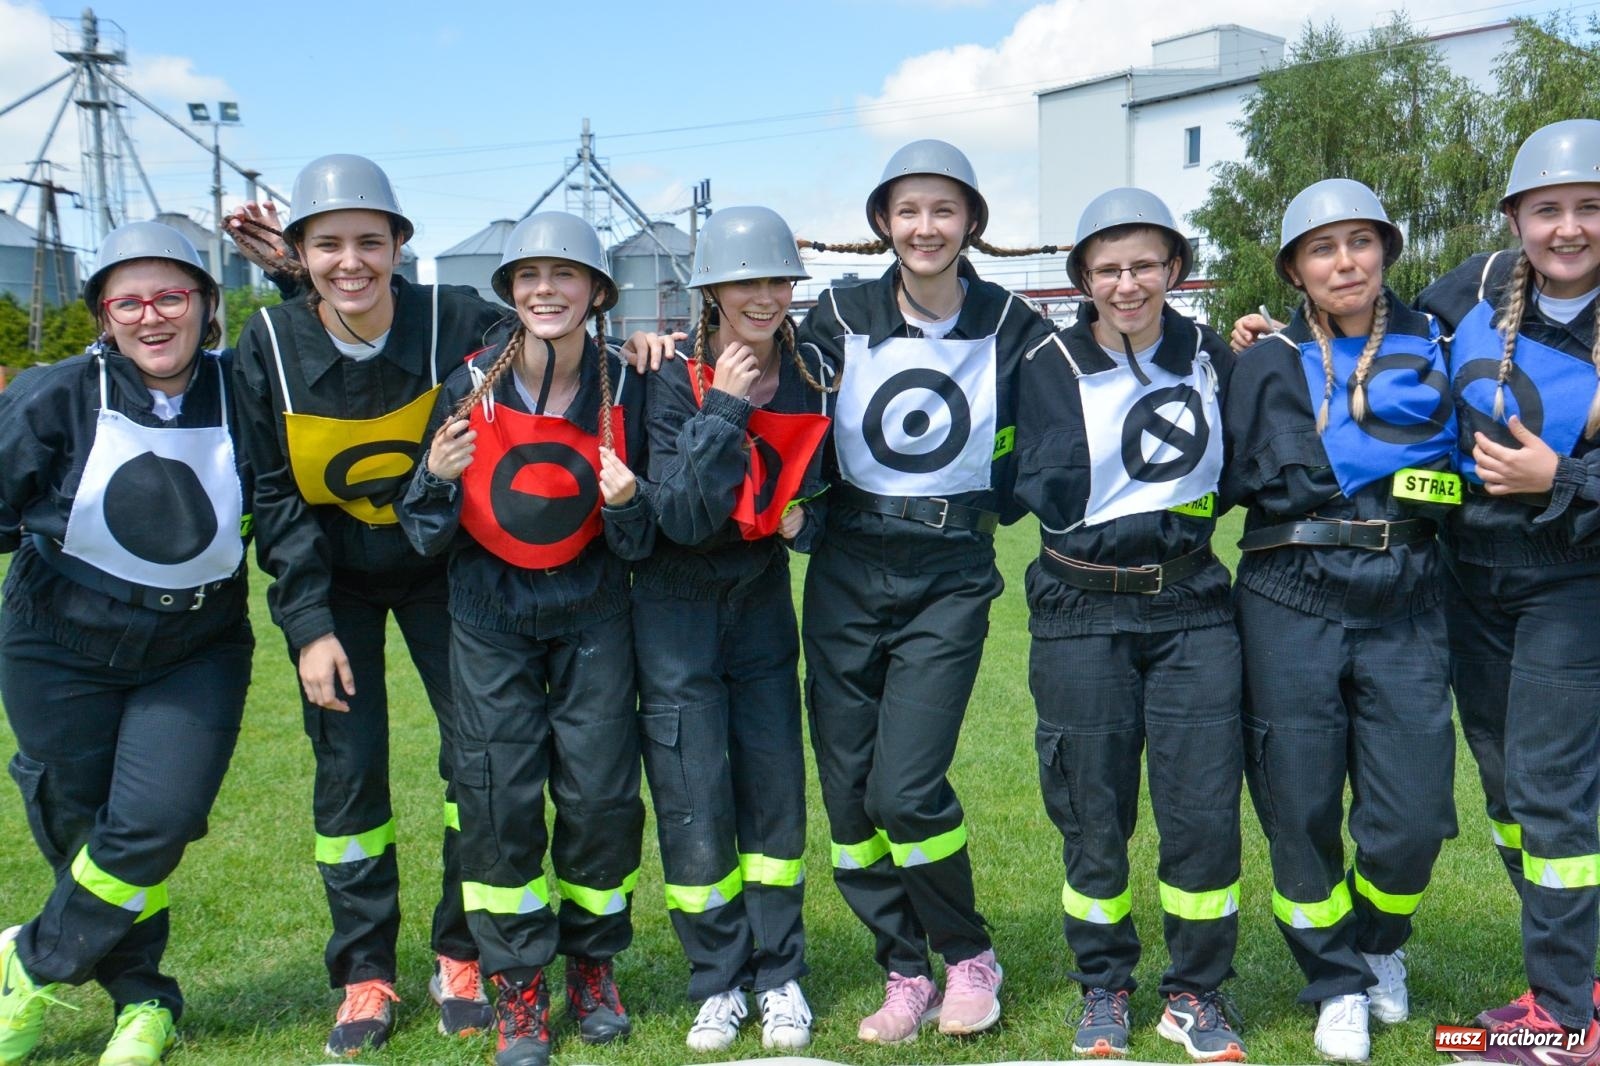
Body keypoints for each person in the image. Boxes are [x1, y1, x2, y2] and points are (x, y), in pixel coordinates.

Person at [231, 154, 503, 1055]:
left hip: (441, 573)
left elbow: (554, 325)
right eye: (327, 246)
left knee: (479, 762)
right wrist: (308, 626)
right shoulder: (267, 345)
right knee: (350, 773)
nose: (351, 262)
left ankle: (460, 952)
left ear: (399, 247)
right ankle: (363, 972)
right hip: (334, 582)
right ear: (299, 255)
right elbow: (274, 494)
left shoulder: (453, 319)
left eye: (369, 243)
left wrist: (649, 346)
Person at [794, 139, 1055, 1043]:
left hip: (949, 576)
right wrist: (674, 342)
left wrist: (1233, 341)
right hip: (845, 569)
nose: (925, 227)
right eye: (908, 210)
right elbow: (764, 369)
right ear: (883, 223)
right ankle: (904, 967)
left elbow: (1098, 372)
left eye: (944, 209)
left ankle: (968, 954)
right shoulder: (837, 313)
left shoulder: (1014, 322)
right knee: (847, 795)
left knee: (904, 789)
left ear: (972, 221)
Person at [398, 211, 651, 1066]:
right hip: (489, 620)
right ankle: (517, 986)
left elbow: (644, 541)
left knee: (601, 800)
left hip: (593, 616)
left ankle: (593, 967)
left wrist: (629, 505)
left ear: (597, 292)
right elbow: (422, 531)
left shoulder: (630, 386)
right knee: (498, 802)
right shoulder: (468, 385)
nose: (547, 290)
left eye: (565, 274)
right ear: (510, 291)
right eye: (529, 277)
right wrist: (435, 481)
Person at [0, 221, 253, 1066]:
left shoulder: (244, 390)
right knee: (79, 825)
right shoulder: (53, 394)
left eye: (171, 296)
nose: (152, 316)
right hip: (58, 643)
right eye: (129, 302)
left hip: (195, 648)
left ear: (206, 305)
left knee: (156, 821)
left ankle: (27, 963)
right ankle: (144, 1001)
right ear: (104, 317)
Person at [1224, 179, 1459, 1063]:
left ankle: (1379, 943)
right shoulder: (1265, 361)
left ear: (1386, 252)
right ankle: (1334, 979)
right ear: (1294, 270)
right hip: (1291, 597)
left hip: (1409, 597)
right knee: (1300, 804)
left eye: (1361, 241)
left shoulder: (1439, 346)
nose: (1345, 261)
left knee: (1414, 815)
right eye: (1322, 248)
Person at [1013, 188, 1245, 1062]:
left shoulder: (1215, 355)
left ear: (1173, 268)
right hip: (1079, 610)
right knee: (1090, 808)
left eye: (1145, 264)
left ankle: (1196, 992)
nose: (1127, 284)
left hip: (1192, 605)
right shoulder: (1040, 362)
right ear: (1083, 278)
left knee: (1202, 811)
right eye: (1107, 269)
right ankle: (1103, 983)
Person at [1413, 119, 1600, 1064]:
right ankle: (1574, 977)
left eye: (1590, 208)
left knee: (1550, 791)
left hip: (1572, 584)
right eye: (1547, 209)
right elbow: (1382, 336)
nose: (1568, 228)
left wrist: (1560, 478)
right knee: (1506, 793)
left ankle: (1566, 1022)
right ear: (1515, 218)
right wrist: (1277, 335)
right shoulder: (1473, 287)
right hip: (1468, 578)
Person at [632, 206, 832, 1053]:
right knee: (692, 796)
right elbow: (677, 515)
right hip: (672, 605)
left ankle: (780, 973)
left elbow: (833, 489)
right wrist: (722, 405)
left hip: (759, 598)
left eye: (779, 280)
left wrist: (806, 523)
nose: (765, 296)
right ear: (710, 289)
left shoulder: (813, 369)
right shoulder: (665, 373)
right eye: (746, 281)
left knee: (773, 788)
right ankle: (717, 980)